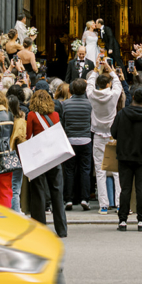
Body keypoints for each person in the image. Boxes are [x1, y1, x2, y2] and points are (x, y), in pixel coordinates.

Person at [110, 84, 142, 232]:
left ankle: (122, 220)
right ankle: (141, 221)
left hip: (124, 156)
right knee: (141, 189)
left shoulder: (122, 114)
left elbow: (114, 132)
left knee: (125, 189)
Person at [26, 90, 67, 238]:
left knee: (38, 192)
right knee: (57, 192)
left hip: (39, 158)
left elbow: (28, 136)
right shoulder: (55, 115)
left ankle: (40, 228)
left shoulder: (31, 115)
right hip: (54, 157)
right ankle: (62, 229)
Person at [86, 65, 124, 214]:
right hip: (112, 134)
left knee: (100, 170)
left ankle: (104, 205)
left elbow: (89, 84)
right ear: (108, 84)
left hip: (98, 135)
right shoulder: (113, 94)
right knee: (116, 170)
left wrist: (95, 70)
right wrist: (111, 70)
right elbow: (119, 85)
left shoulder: (92, 95)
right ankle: (119, 202)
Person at [60, 78, 92, 211]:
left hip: (70, 139)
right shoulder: (90, 104)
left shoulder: (65, 104)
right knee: (85, 170)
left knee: (69, 170)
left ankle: (68, 199)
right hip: (85, 139)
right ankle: (84, 198)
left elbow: (62, 122)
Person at [7, 94, 26, 212]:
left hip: (4, 157)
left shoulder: (3, 119)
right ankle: (16, 213)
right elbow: (22, 139)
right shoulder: (21, 121)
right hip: (17, 158)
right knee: (15, 189)